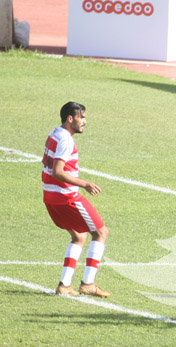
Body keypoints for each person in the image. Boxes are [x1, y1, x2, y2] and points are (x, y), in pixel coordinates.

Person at [42, 101, 110, 298]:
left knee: (79, 236)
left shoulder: (54, 134)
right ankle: (88, 284)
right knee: (101, 233)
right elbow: (58, 171)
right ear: (70, 118)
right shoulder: (66, 140)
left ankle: (64, 285)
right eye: (82, 117)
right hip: (67, 197)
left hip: (50, 196)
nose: (85, 121)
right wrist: (84, 183)